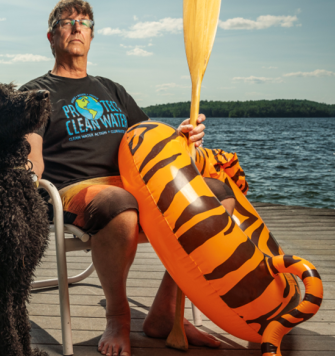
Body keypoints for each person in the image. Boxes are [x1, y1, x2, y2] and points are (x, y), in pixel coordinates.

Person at [20, 1, 234, 355]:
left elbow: (149, 140)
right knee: (121, 206)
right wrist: (25, 177)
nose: (77, 27)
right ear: (51, 35)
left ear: (92, 35)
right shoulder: (36, 94)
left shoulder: (112, 90)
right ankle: (118, 316)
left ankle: (165, 312)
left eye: (84, 22)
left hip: (131, 188)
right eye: (67, 21)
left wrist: (180, 136)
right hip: (76, 191)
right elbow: (32, 156)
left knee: (217, 194)